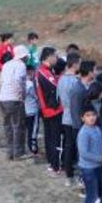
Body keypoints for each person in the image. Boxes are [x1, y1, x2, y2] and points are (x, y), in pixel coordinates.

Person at [0, 45, 29, 160]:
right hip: (14, 98)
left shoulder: (6, 65)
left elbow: (1, 81)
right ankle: (18, 153)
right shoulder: (21, 65)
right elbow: (18, 81)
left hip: (2, 99)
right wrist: (22, 95)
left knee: (7, 126)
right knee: (18, 126)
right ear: (24, 56)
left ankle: (9, 152)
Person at [35, 47, 63, 175]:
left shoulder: (44, 71)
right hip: (52, 110)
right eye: (55, 56)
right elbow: (56, 88)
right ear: (49, 57)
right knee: (55, 138)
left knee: (50, 137)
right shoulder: (43, 72)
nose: (56, 59)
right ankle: (55, 165)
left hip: (47, 109)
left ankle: (52, 163)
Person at [58, 53, 81, 185]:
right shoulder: (75, 81)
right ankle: (79, 176)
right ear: (75, 64)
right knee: (78, 147)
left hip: (65, 116)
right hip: (75, 118)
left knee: (68, 146)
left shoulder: (61, 79)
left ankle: (69, 176)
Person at [24, 63, 40, 156]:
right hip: (33, 110)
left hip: (25, 110)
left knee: (28, 130)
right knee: (33, 130)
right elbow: (35, 96)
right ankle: (33, 149)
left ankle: (29, 148)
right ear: (30, 72)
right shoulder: (30, 84)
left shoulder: (21, 83)